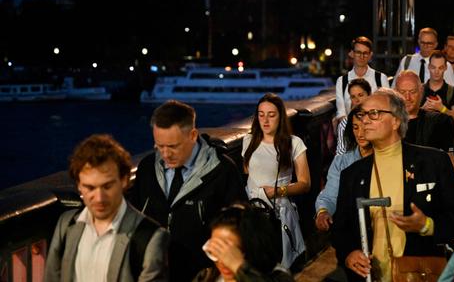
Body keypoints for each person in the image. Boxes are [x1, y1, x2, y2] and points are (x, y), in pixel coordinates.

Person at [332, 89, 454, 281]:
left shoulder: (433, 162)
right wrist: (349, 254)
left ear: (396, 121)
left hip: (419, 274)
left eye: (374, 114)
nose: (365, 120)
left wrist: (427, 226)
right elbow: (340, 229)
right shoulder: (352, 174)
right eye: (362, 114)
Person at [128, 100, 248, 282]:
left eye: (173, 146)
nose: (165, 154)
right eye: (159, 146)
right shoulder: (146, 168)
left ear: (193, 135)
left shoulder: (223, 171)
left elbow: (240, 229)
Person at [45, 134, 169, 282]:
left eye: (107, 186)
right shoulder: (66, 224)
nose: (99, 198)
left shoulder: (151, 238)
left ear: (124, 181)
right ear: (78, 185)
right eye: (90, 188)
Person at [242, 93, 310, 269]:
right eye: (261, 114)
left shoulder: (293, 143)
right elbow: (247, 172)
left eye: (271, 115)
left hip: (278, 212)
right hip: (253, 212)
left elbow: (305, 183)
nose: (265, 120)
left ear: (280, 117)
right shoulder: (248, 140)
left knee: (278, 265)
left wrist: (278, 191)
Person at [193, 204, 293, 282]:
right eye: (218, 249)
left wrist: (240, 267)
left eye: (232, 252)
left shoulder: (277, 276)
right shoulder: (207, 276)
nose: (224, 260)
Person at [315, 106, 373, 231]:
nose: (360, 133)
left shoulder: (386, 158)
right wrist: (323, 212)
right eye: (355, 127)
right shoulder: (341, 162)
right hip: (352, 228)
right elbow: (329, 196)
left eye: (364, 127)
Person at [395, 70, 454, 152]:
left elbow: (450, 157)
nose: (407, 97)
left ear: (421, 91)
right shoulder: (386, 122)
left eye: (412, 92)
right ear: (395, 92)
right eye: (402, 92)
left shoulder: (439, 122)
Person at [335, 36, 389, 123]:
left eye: (365, 53)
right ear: (352, 53)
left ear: (370, 55)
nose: (361, 56)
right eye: (358, 52)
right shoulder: (341, 81)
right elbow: (341, 113)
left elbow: (387, 107)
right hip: (351, 129)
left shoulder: (381, 78)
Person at [421, 51, 454, 124]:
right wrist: (422, 109)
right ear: (429, 67)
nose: (436, 71)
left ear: (445, 68)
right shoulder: (419, 90)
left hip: (445, 134)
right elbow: (408, 116)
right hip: (421, 135)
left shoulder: (453, 91)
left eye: (440, 68)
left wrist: (441, 108)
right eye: (433, 67)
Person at [335, 78, 371, 155]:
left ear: (369, 95)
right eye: (353, 97)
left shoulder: (379, 119)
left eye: (360, 95)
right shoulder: (344, 124)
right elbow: (340, 153)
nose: (357, 100)